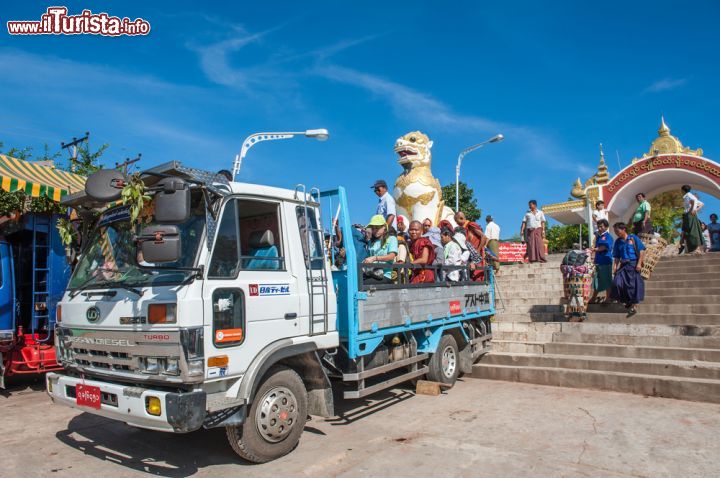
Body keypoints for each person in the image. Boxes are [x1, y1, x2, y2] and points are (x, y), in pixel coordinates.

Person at [610, 222, 646, 317]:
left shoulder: (633, 238)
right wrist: (614, 267)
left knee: (633, 286)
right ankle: (627, 301)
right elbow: (617, 256)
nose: (616, 233)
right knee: (617, 283)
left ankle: (634, 306)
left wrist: (639, 264)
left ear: (623, 229)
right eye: (615, 231)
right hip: (623, 265)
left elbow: (641, 251)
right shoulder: (617, 242)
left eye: (617, 231)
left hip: (633, 264)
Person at [362, 215, 398, 284]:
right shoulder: (371, 242)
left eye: (377, 228)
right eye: (373, 228)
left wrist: (375, 258)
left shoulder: (392, 239)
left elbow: (391, 256)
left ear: (384, 227)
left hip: (385, 275)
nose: (375, 230)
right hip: (371, 273)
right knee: (355, 281)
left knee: (363, 283)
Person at [589, 219, 614, 304]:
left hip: (606, 261)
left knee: (607, 280)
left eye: (601, 226)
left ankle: (608, 298)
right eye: (598, 226)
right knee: (596, 280)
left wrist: (595, 249)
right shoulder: (598, 237)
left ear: (606, 227)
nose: (599, 228)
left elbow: (605, 247)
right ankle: (593, 297)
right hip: (598, 261)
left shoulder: (608, 236)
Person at [680, 185, 705, 254]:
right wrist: (695, 210)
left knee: (691, 231)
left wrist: (691, 210)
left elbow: (693, 201)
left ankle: (694, 249)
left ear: (683, 190)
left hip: (689, 215)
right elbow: (701, 204)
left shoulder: (687, 196)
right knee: (693, 230)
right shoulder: (692, 195)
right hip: (691, 215)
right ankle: (694, 248)